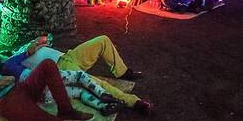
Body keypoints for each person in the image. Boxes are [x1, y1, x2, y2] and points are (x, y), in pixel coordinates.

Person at [9, 36, 150, 114]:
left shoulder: (26, 46)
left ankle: (123, 72)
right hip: (60, 66)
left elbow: (46, 39)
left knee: (103, 40)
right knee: (99, 84)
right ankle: (134, 102)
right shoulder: (13, 62)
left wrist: (37, 42)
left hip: (70, 55)